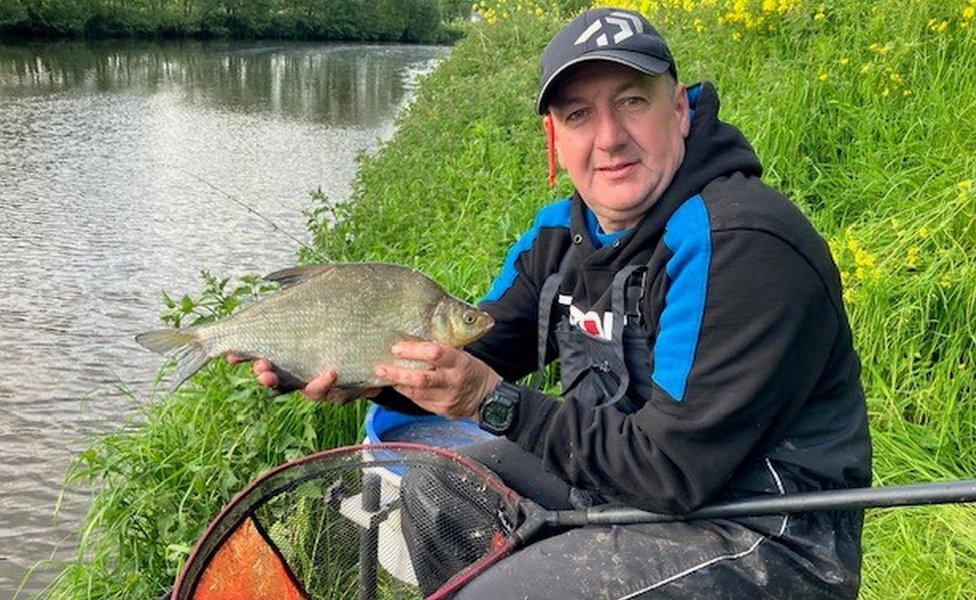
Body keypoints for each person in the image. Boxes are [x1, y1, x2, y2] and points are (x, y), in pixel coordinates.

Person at [237, 7, 872, 598]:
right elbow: (477, 349)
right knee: (438, 490)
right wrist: (365, 371)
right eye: (578, 115)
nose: (609, 138)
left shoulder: (740, 243)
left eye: (632, 102)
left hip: (762, 531)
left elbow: (672, 470)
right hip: (625, 484)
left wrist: (493, 402)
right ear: (554, 138)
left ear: (678, 109)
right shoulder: (560, 235)